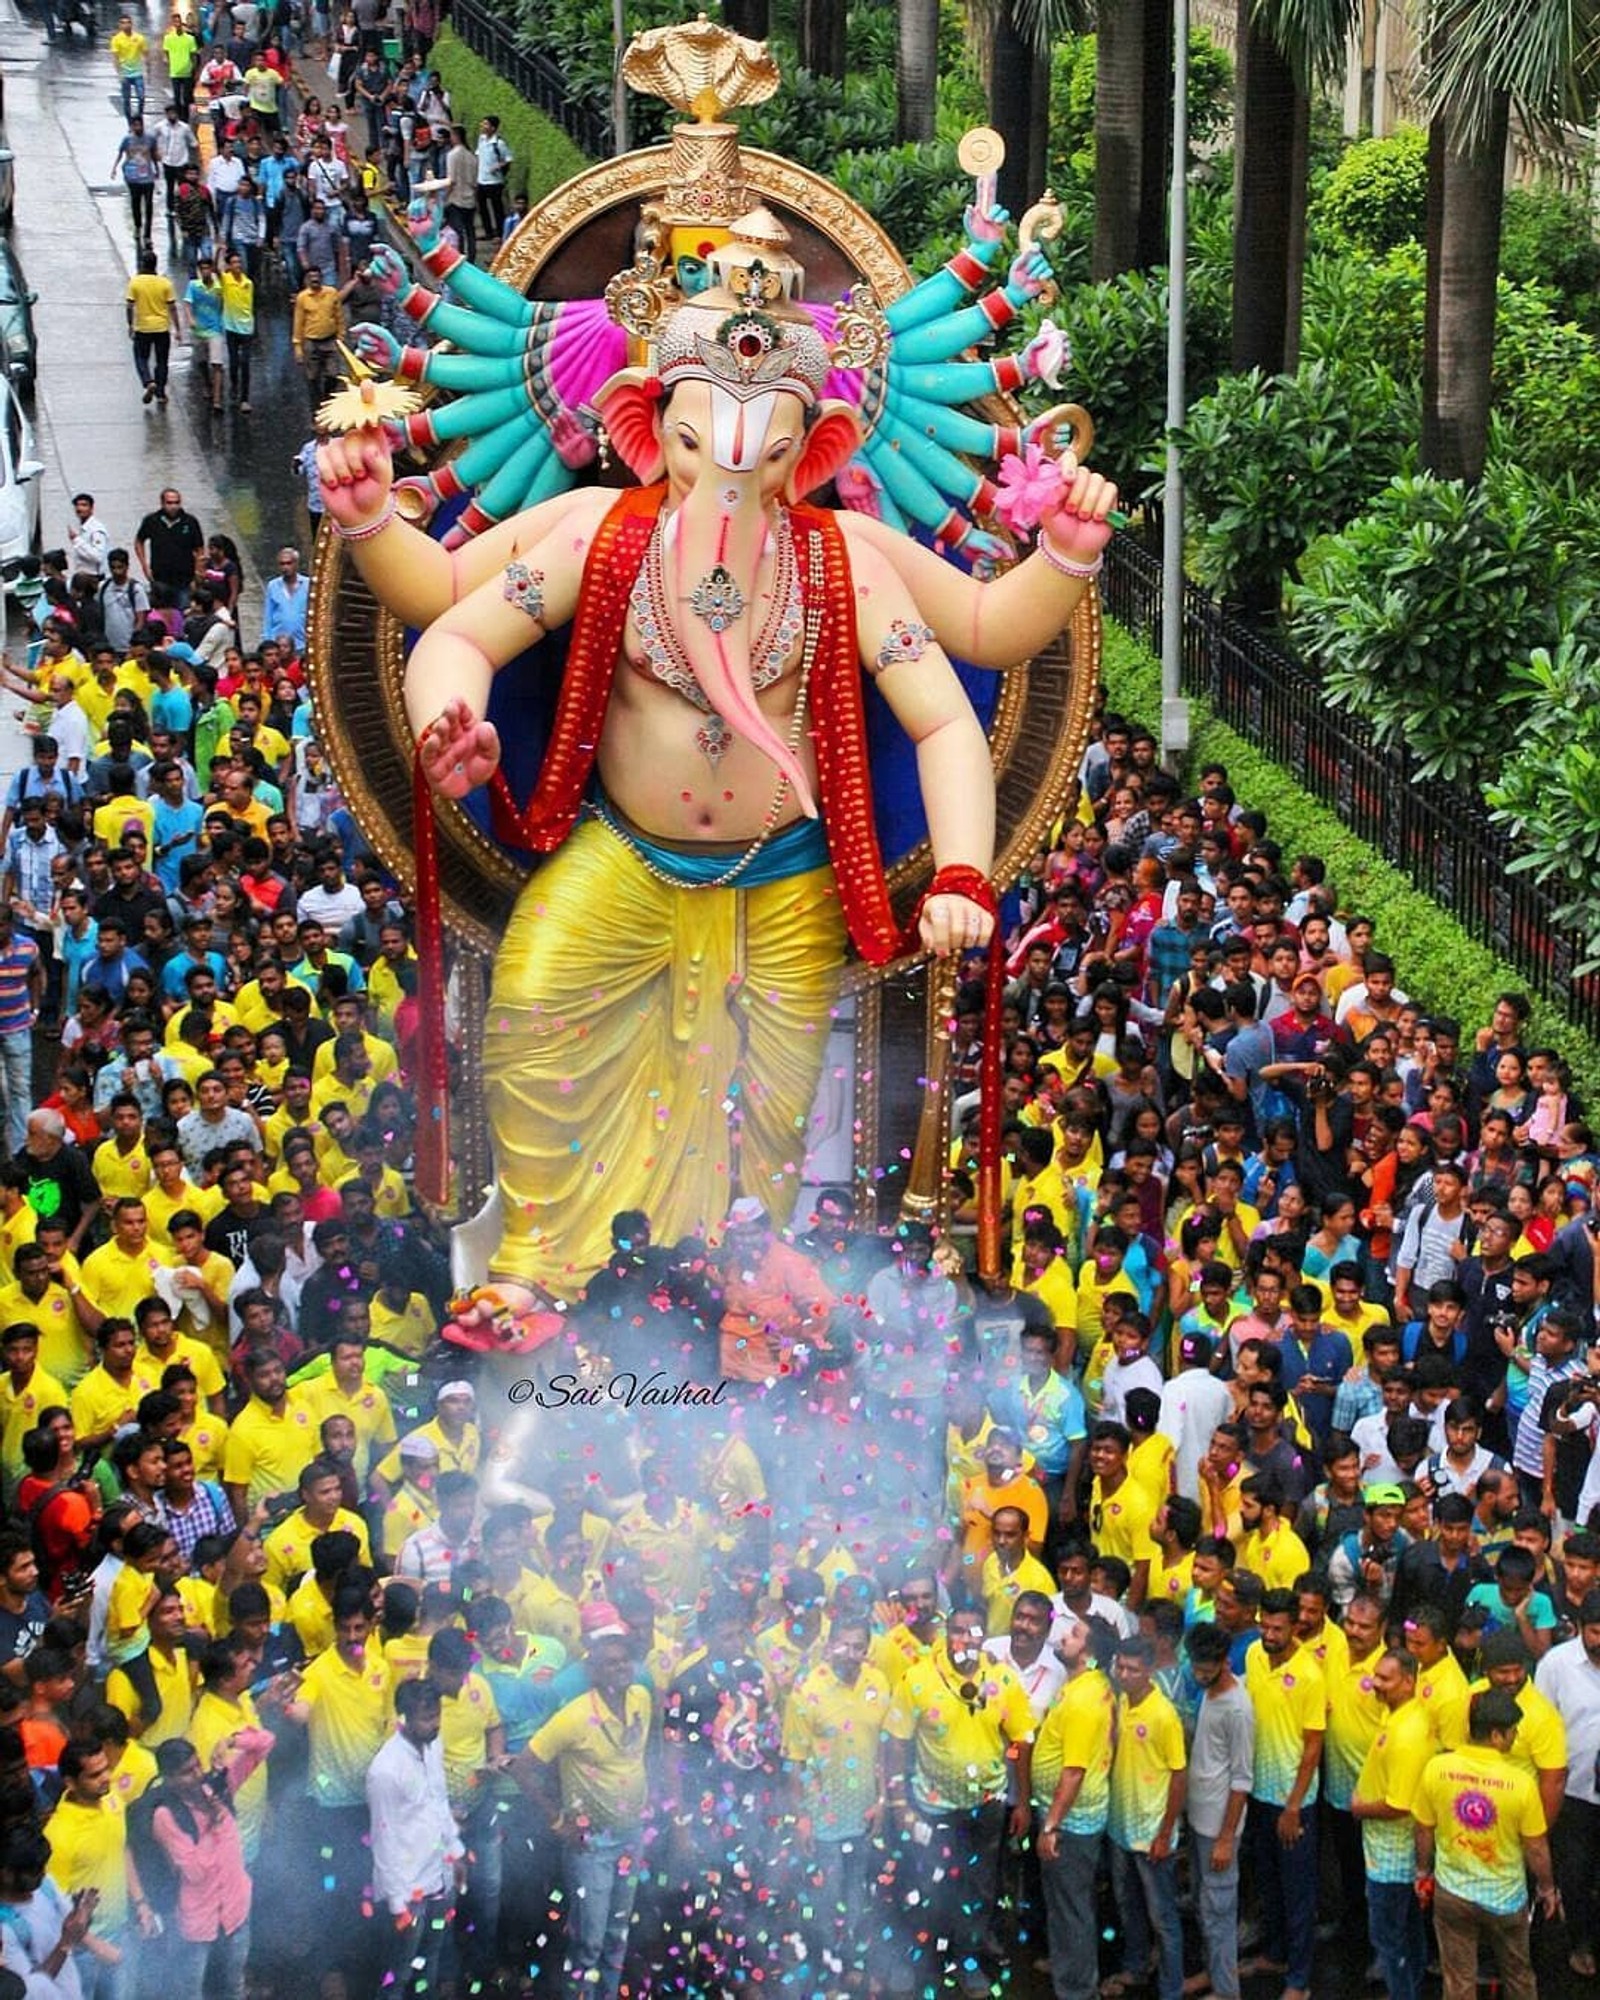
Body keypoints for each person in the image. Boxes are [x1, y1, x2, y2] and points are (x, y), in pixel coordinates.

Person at [1412, 1687, 1560, 2000]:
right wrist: (1547, 1889)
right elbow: (1535, 1847)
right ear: (1496, 1735)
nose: (1515, 1737)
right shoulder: (1520, 1785)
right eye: (1512, 1732)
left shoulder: (1437, 1768)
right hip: (1505, 1899)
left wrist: (1423, 1872)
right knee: (1518, 1975)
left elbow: (1423, 1830)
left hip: (1452, 1894)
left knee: (1458, 1979)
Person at [366, 1676, 464, 2000]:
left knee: (430, 1962)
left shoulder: (434, 1744)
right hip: (408, 1892)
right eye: (426, 1718)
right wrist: (398, 1903)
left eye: (437, 1715)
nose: (434, 1724)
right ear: (404, 1718)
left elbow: (440, 1801)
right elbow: (384, 1840)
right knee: (399, 1972)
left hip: (440, 1877)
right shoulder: (385, 1770)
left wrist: (456, 1851)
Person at [1351, 1646, 1432, 2000]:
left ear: (1409, 1682)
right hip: (1386, 1850)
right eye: (1376, 1676)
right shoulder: (1399, 1715)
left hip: (1392, 1857)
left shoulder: (1408, 1733)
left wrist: (1360, 1808)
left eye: (1385, 1679)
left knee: (1389, 1939)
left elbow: (1400, 1805)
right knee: (1409, 1933)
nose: (1374, 1684)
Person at [125, 248, 180, 408]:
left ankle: (148, 381)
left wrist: (130, 325)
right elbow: (172, 307)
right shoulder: (165, 283)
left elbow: (129, 306)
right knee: (162, 361)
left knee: (141, 357)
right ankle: (161, 393)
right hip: (162, 327)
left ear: (142, 264)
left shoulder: (135, 282)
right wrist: (177, 328)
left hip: (143, 327)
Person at [291, 268, 344, 412]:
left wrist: (340, 338)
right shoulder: (302, 298)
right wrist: (297, 347)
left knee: (333, 375)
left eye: (317, 277)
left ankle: (327, 401)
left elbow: (339, 316)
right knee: (313, 378)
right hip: (311, 343)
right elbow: (298, 322)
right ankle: (316, 412)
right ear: (307, 280)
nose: (315, 280)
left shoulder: (331, 293)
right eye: (311, 277)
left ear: (322, 278)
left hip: (330, 341)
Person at [219, 251, 255, 413]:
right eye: (234, 263)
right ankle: (234, 385)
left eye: (239, 262)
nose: (237, 266)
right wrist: (218, 252)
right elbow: (215, 270)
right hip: (231, 327)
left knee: (245, 363)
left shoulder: (248, 283)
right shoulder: (226, 280)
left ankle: (245, 398)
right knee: (234, 362)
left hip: (246, 327)